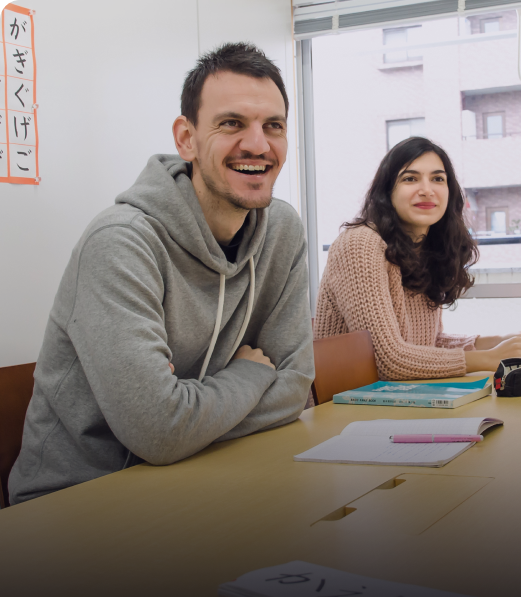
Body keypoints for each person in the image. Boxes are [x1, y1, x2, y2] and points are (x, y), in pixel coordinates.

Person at [9, 43, 314, 504]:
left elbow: (295, 388)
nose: (257, 144)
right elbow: (159, 430)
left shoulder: (283, 231)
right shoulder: (120, 243)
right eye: (231, 123)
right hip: (77, 503)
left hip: (204, 475)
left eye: (273, 126)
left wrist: (186, 417)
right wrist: (250, 376)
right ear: (186, 138)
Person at [313, 137, 521, 381]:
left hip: (396, 401)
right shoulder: (359, 244)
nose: (427, 189)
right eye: (410, 178)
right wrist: (489, 359)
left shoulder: (424, 248)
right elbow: (387, 359)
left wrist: (493, 342)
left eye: (438, 179)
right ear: (387, 191)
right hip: (340, 409)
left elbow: (426, 343)